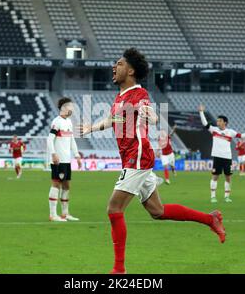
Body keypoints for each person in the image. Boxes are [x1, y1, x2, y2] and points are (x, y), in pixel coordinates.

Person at [79, 48, 226, 274]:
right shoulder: (120, 97)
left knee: (114, 208)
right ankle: (210, 219)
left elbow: (150, 112)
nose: (113, 67)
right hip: (135, 157)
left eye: (118, 64)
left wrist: (153, 116)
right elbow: (112, 119)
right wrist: (91, 128)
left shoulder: (139, 94)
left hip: (137, 157)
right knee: (157, 211)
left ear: (130, 70)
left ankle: (119, 270)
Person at [198, 104, 245, 203]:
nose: (218, 122)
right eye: (217, 120)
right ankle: (213, 196)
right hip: (217, 157)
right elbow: (205, 123)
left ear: (225, 122)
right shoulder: (214, 130)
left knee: (228, 177)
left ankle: (227, 196)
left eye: (220, 120)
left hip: (227, 158)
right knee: (215, 176)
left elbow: (241, 135)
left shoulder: (230, 132)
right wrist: (201, 112)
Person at [47, 97, 82, 222]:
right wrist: (53, 154)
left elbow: (72, 140)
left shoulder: (68, 122)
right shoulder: (57, 122)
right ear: (64, 107)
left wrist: (77, 155)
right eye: (70, 106)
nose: (71, 108)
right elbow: (49, 139)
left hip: (67, 160)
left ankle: (65, 214)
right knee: (56, 184)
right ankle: (52, 215)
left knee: (66, 185)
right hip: (58, 160)